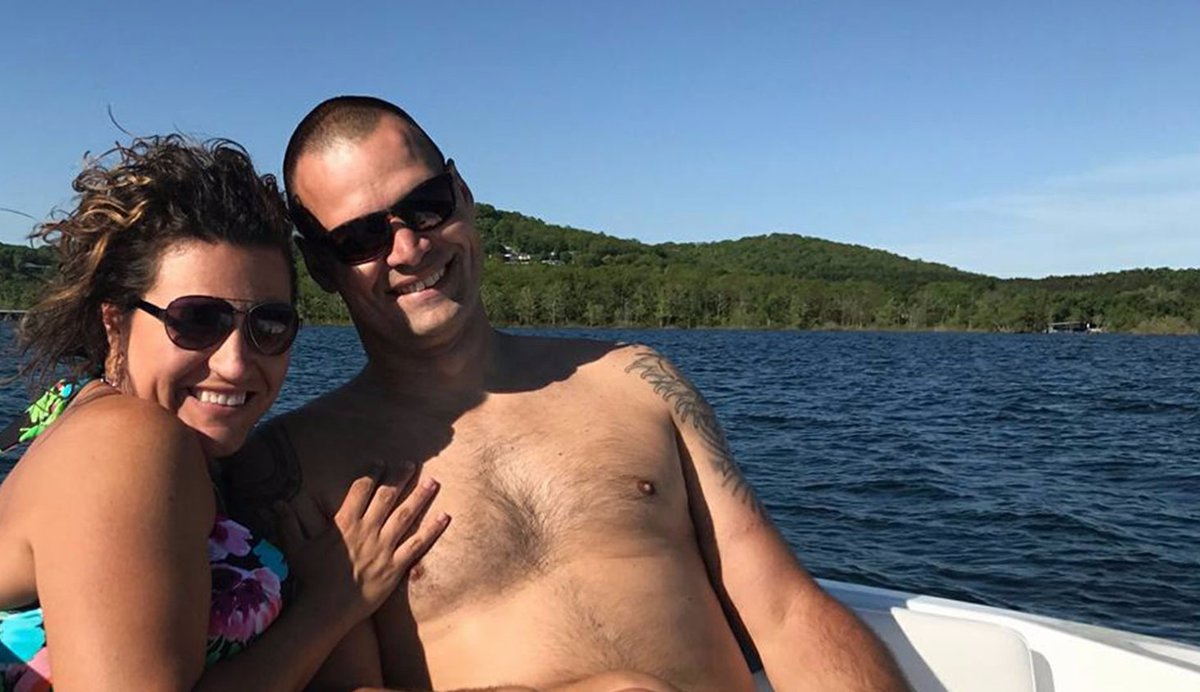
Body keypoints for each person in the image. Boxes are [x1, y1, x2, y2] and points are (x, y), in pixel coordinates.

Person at [226, 95, 910, 692]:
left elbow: (785, 611)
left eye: (425, 206)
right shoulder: (298, 468)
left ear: (461, 194)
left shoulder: (638, 381)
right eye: (360, 237)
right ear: (321, 266)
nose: (408, 249)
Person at [0, 135, 448, 691]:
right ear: (114, 323)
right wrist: (331, 604)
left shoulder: (137, 439)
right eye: (196, 321)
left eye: (268, 325)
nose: (235, 364)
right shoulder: (124, 442)